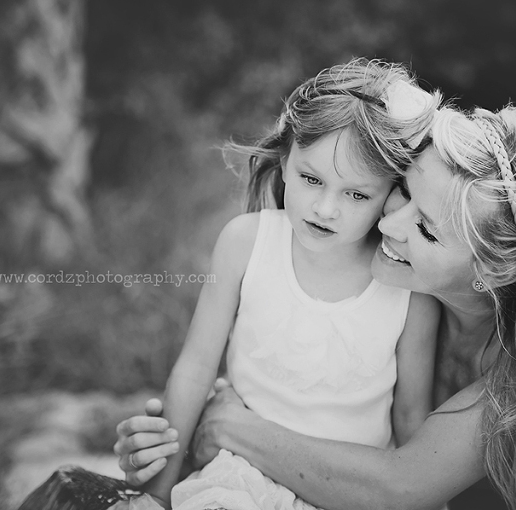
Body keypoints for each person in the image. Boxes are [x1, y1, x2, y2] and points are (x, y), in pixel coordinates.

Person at [116, 104, 516, 510]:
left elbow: (397, 486)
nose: (388, 224)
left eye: (426, 229)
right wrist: (163, 450)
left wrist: (231, 427)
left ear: (491, 272)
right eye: (403, 193)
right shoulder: (405, 293)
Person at [128, 58, 445, 510]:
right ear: (283, 161)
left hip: (346, 490)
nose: (325, 208)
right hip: (241, 477)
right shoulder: (245, 242)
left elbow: (411, 414)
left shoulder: (406, 285)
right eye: (311, 179)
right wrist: (156, 495)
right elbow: (195, 369)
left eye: (357, 194)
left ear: (391, 193)